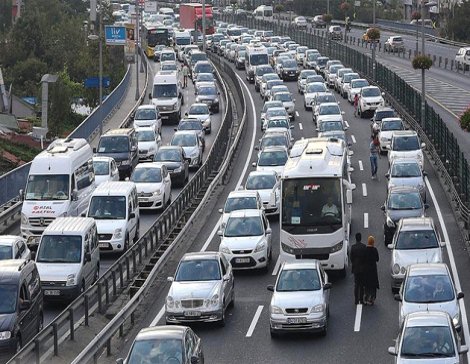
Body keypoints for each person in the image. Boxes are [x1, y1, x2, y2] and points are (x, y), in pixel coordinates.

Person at [350, 232, 367, 305]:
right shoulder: (364, 247)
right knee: (362, 285)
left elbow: (351, 258)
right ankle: (361, 300)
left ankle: (356, 300)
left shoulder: (353, 247)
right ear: (361, 238)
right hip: (363, 268)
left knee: (356, 285)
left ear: (356, 238)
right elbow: (366, 257)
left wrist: (354, 263)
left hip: (356, 268)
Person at [363, 236, 379, 305]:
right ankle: (372, 299)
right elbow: (377, 259)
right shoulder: (374, 250)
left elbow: (362, 259)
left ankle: (366, 298)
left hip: (366, 270)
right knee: (373, 284)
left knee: (366, 284)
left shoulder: (365, 250)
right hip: (373, 270)